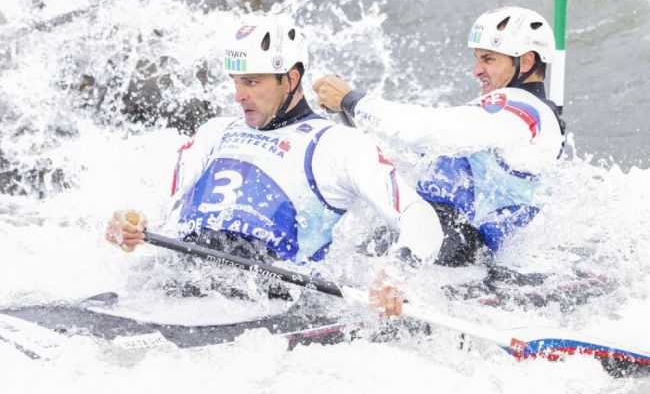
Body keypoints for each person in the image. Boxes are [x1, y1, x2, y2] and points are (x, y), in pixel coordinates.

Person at [105, 20, 443, 315]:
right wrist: (130, 227)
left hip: (273, 301)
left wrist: (396, 272)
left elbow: (419, 215)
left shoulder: (338, 144)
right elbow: (165, 212)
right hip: (182, 282)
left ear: (291, 78)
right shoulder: (214, 131)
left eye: (252, 82)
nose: (239, 95)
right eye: (236, 81)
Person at [313, 7, 566, 267]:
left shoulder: (523, 111)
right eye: (477, 58)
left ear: (525, 62)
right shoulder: (505, 114)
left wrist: (352, 100)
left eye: (488, 59)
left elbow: (428, 131)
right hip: (435, 233)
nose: (476, 70)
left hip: (455, 246)